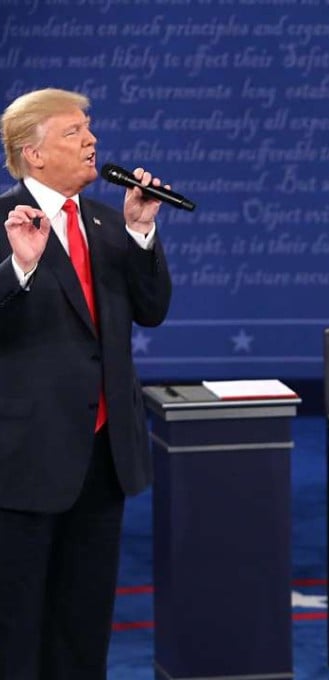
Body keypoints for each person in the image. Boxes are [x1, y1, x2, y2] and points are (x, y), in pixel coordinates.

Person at [0, 88, 172, 677]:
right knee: (15, 625)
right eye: (73, 131)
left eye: (89, 128)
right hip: (23, 459)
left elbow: (152, 310)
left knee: (84, 623)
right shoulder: (3, 222)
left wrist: (142, 233)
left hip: (103, 455)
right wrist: (20, 266)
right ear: (33, 153)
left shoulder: (106, 221)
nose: (91, 139)